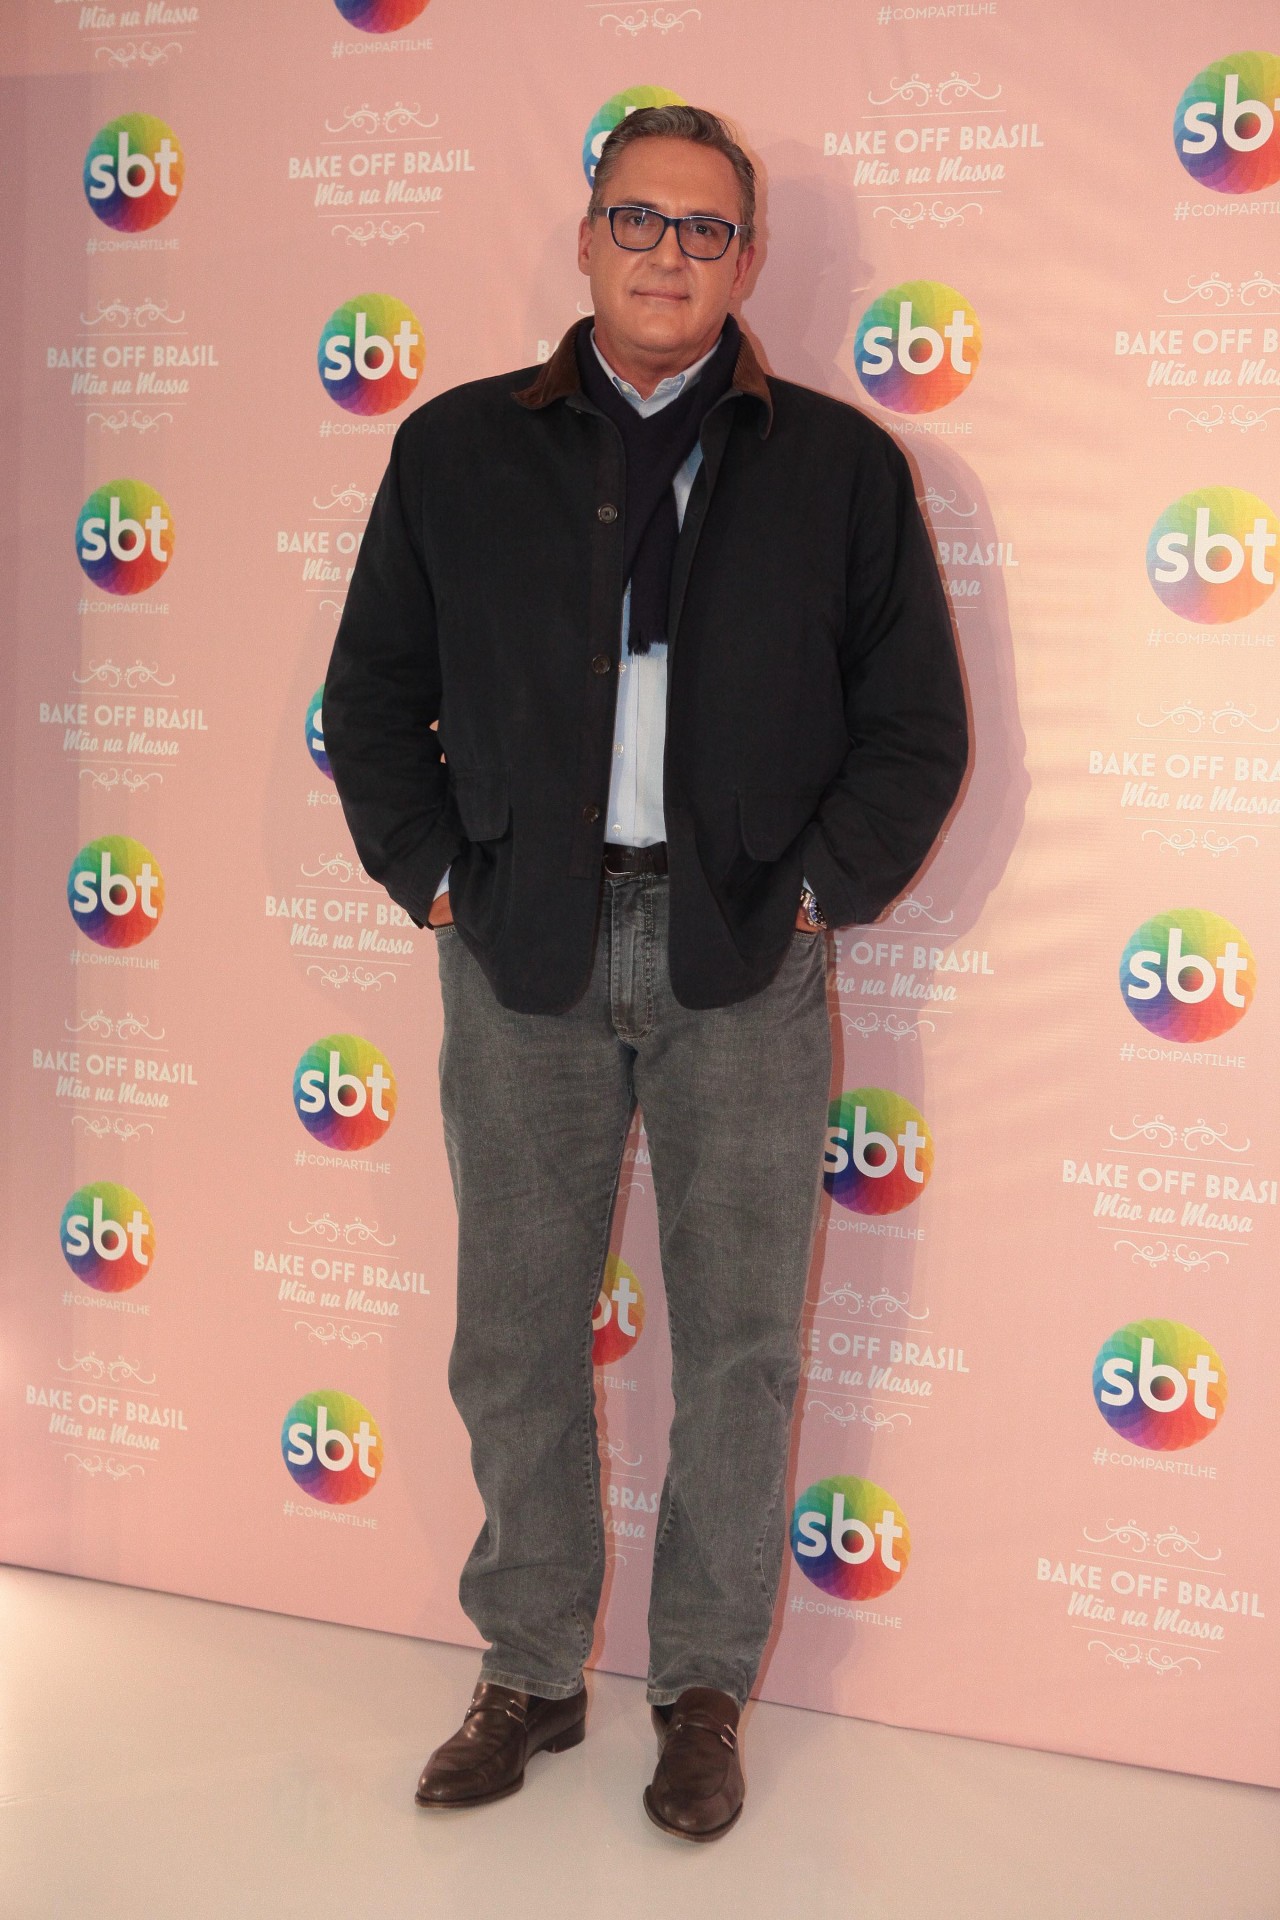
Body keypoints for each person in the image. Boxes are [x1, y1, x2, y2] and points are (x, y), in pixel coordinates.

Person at [323, 104, 967, 1842]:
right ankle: (530, 1671)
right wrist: (438, 883)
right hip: (518, 946)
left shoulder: (839, 468)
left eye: (705, 228)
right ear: (585, 237)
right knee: (515, 1336)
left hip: (741, 957)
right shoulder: (456, 450)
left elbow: (916, 728)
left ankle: (702, 1692)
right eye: (638, 217)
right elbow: (371, 701)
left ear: (746, 260)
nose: (668, 252)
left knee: (742, 1347)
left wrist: (813, 894)